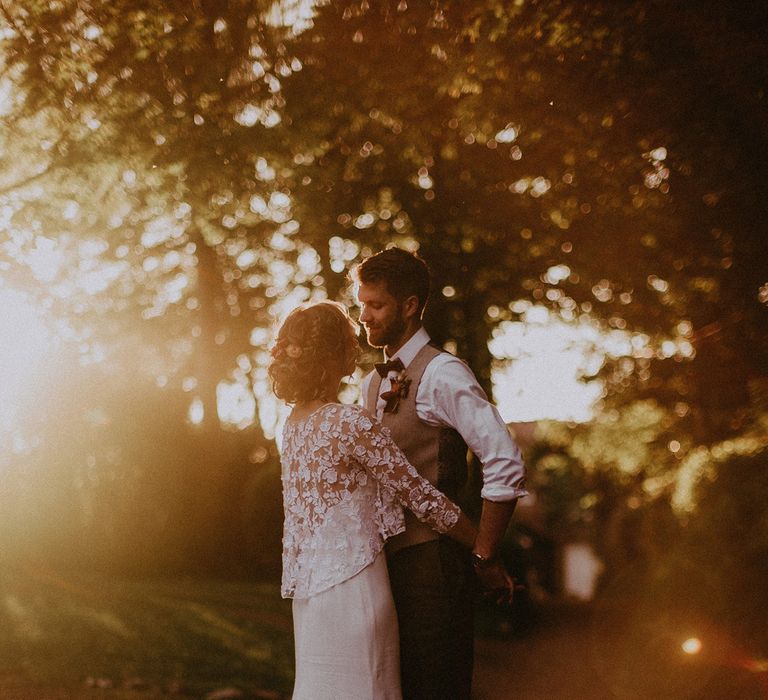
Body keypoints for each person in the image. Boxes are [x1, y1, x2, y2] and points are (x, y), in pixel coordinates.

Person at [269, 300, 477, 700]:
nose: (357, 345)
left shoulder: (291, 427)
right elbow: (422, 498)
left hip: (312, 597)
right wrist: (483, 544)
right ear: (333, 355)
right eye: (348, 340)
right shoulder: (350, 422)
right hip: (357, 590)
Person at [352, 247, 528, 700]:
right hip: (381, 570)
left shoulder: (443, 373)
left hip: (435, 567)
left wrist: (485, 554)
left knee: (437, 689)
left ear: (410, 306)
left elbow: (503, 457)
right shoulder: (370, 382)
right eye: (361, 304)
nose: (364, 316)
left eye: (376, 305)